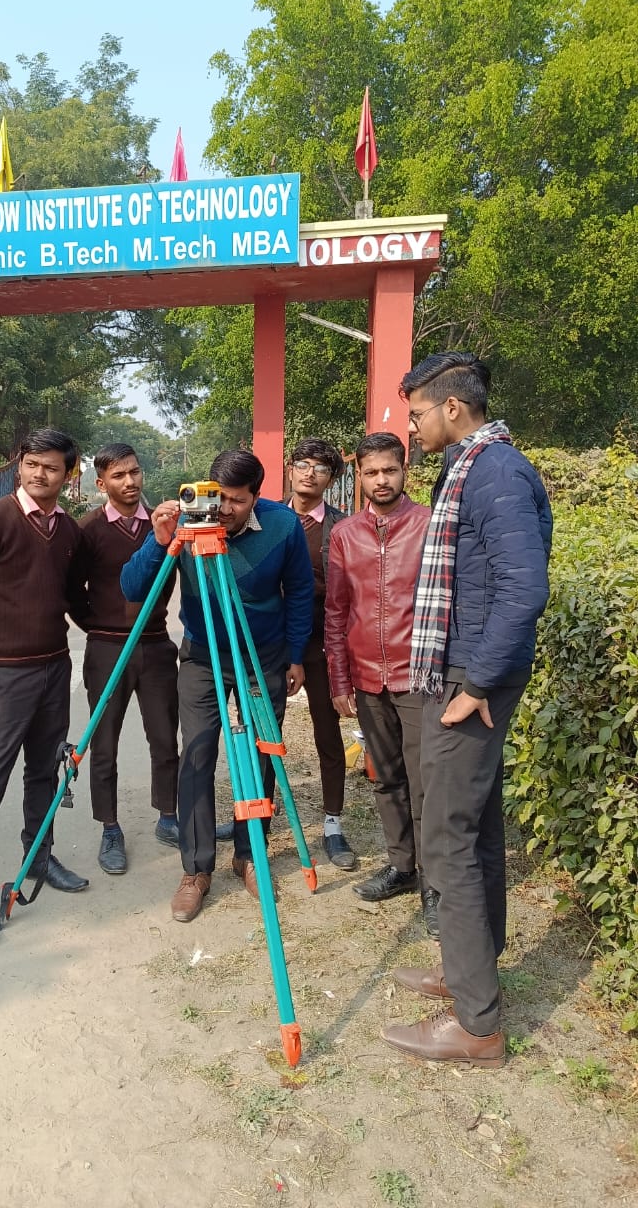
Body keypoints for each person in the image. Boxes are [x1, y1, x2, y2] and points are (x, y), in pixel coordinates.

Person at [381, 352, 551, 1068]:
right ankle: (469, 974)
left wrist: (475, 685)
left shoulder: (498, 474)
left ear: (454, 408)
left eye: (417, 413)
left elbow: (523, 589)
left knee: (446, 835)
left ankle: (478, 1025)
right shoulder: (471, 468)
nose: (410, 427)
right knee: (473, 827)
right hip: (458, 669)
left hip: (472, 678)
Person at [121, 449, 313, 923]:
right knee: (198, 753)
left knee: (261, 755)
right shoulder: (187, 523)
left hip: (261, 655)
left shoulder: (284, 526)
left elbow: (301, 591)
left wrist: (295, 655)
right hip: (203, 655)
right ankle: (195, 869)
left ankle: (250, 854)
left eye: (236, 501)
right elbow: (132, 587)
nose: (223, 510)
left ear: (257, 497)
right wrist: (158, 540)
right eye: (217, 497)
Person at [0, 428, 90, 944]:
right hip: (4, 677)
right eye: (32, 464)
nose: (39, 474)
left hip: (54, 670)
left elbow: (74, 598)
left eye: (51, 467)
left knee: (44, 774)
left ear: (68, 474)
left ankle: (39, 859)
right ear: (19, 465)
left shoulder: (68, 532)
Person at [324, 433, 436, 934]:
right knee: (385, 775)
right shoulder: (345, 534)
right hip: (368, 675)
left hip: (418, 675)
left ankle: (436, 884)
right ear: (360, 476)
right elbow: (337, 610)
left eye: (389, 470)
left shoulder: (431, 524)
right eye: (371, 472)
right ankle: (402, 866)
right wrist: (339, 678)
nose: (381, 480)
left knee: (426, 781)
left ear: (404, 470)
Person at [77, 444, 179, 875]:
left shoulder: (165, 524)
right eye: (118, 476)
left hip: (156, 645)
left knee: (164, 738)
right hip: (106, 649)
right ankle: (110, 826)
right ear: (101, 485)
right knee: (105, 745)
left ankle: (168, 815)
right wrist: (99, 627)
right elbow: (71, 591)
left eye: (135, 472)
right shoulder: (88, 531)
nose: (130, 482)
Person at [286, 437, 352, 869]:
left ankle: (332, 823)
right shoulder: (264, 518)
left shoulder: (343, 527)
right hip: (276, 645)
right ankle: (260, 815)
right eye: (303, 464)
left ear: (332, 480)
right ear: (290, 469)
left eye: (322, 468)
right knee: (264, 735)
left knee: (328, 735)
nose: (310, 473)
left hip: (325, 646)